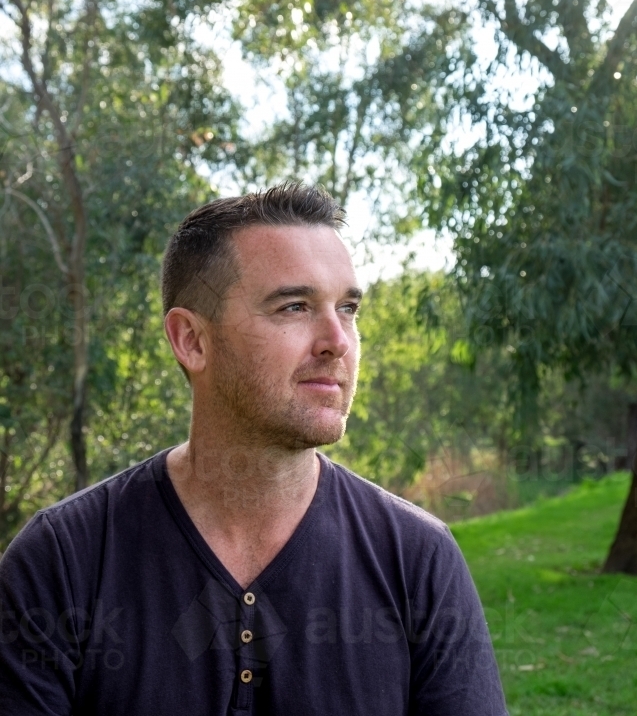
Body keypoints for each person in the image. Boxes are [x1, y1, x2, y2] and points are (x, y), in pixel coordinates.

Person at [0, 183, 508, 715]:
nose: (338, 339)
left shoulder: (416, 559)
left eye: (349, 308)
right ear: (192, 340)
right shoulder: (62, 561)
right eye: (294, 306)